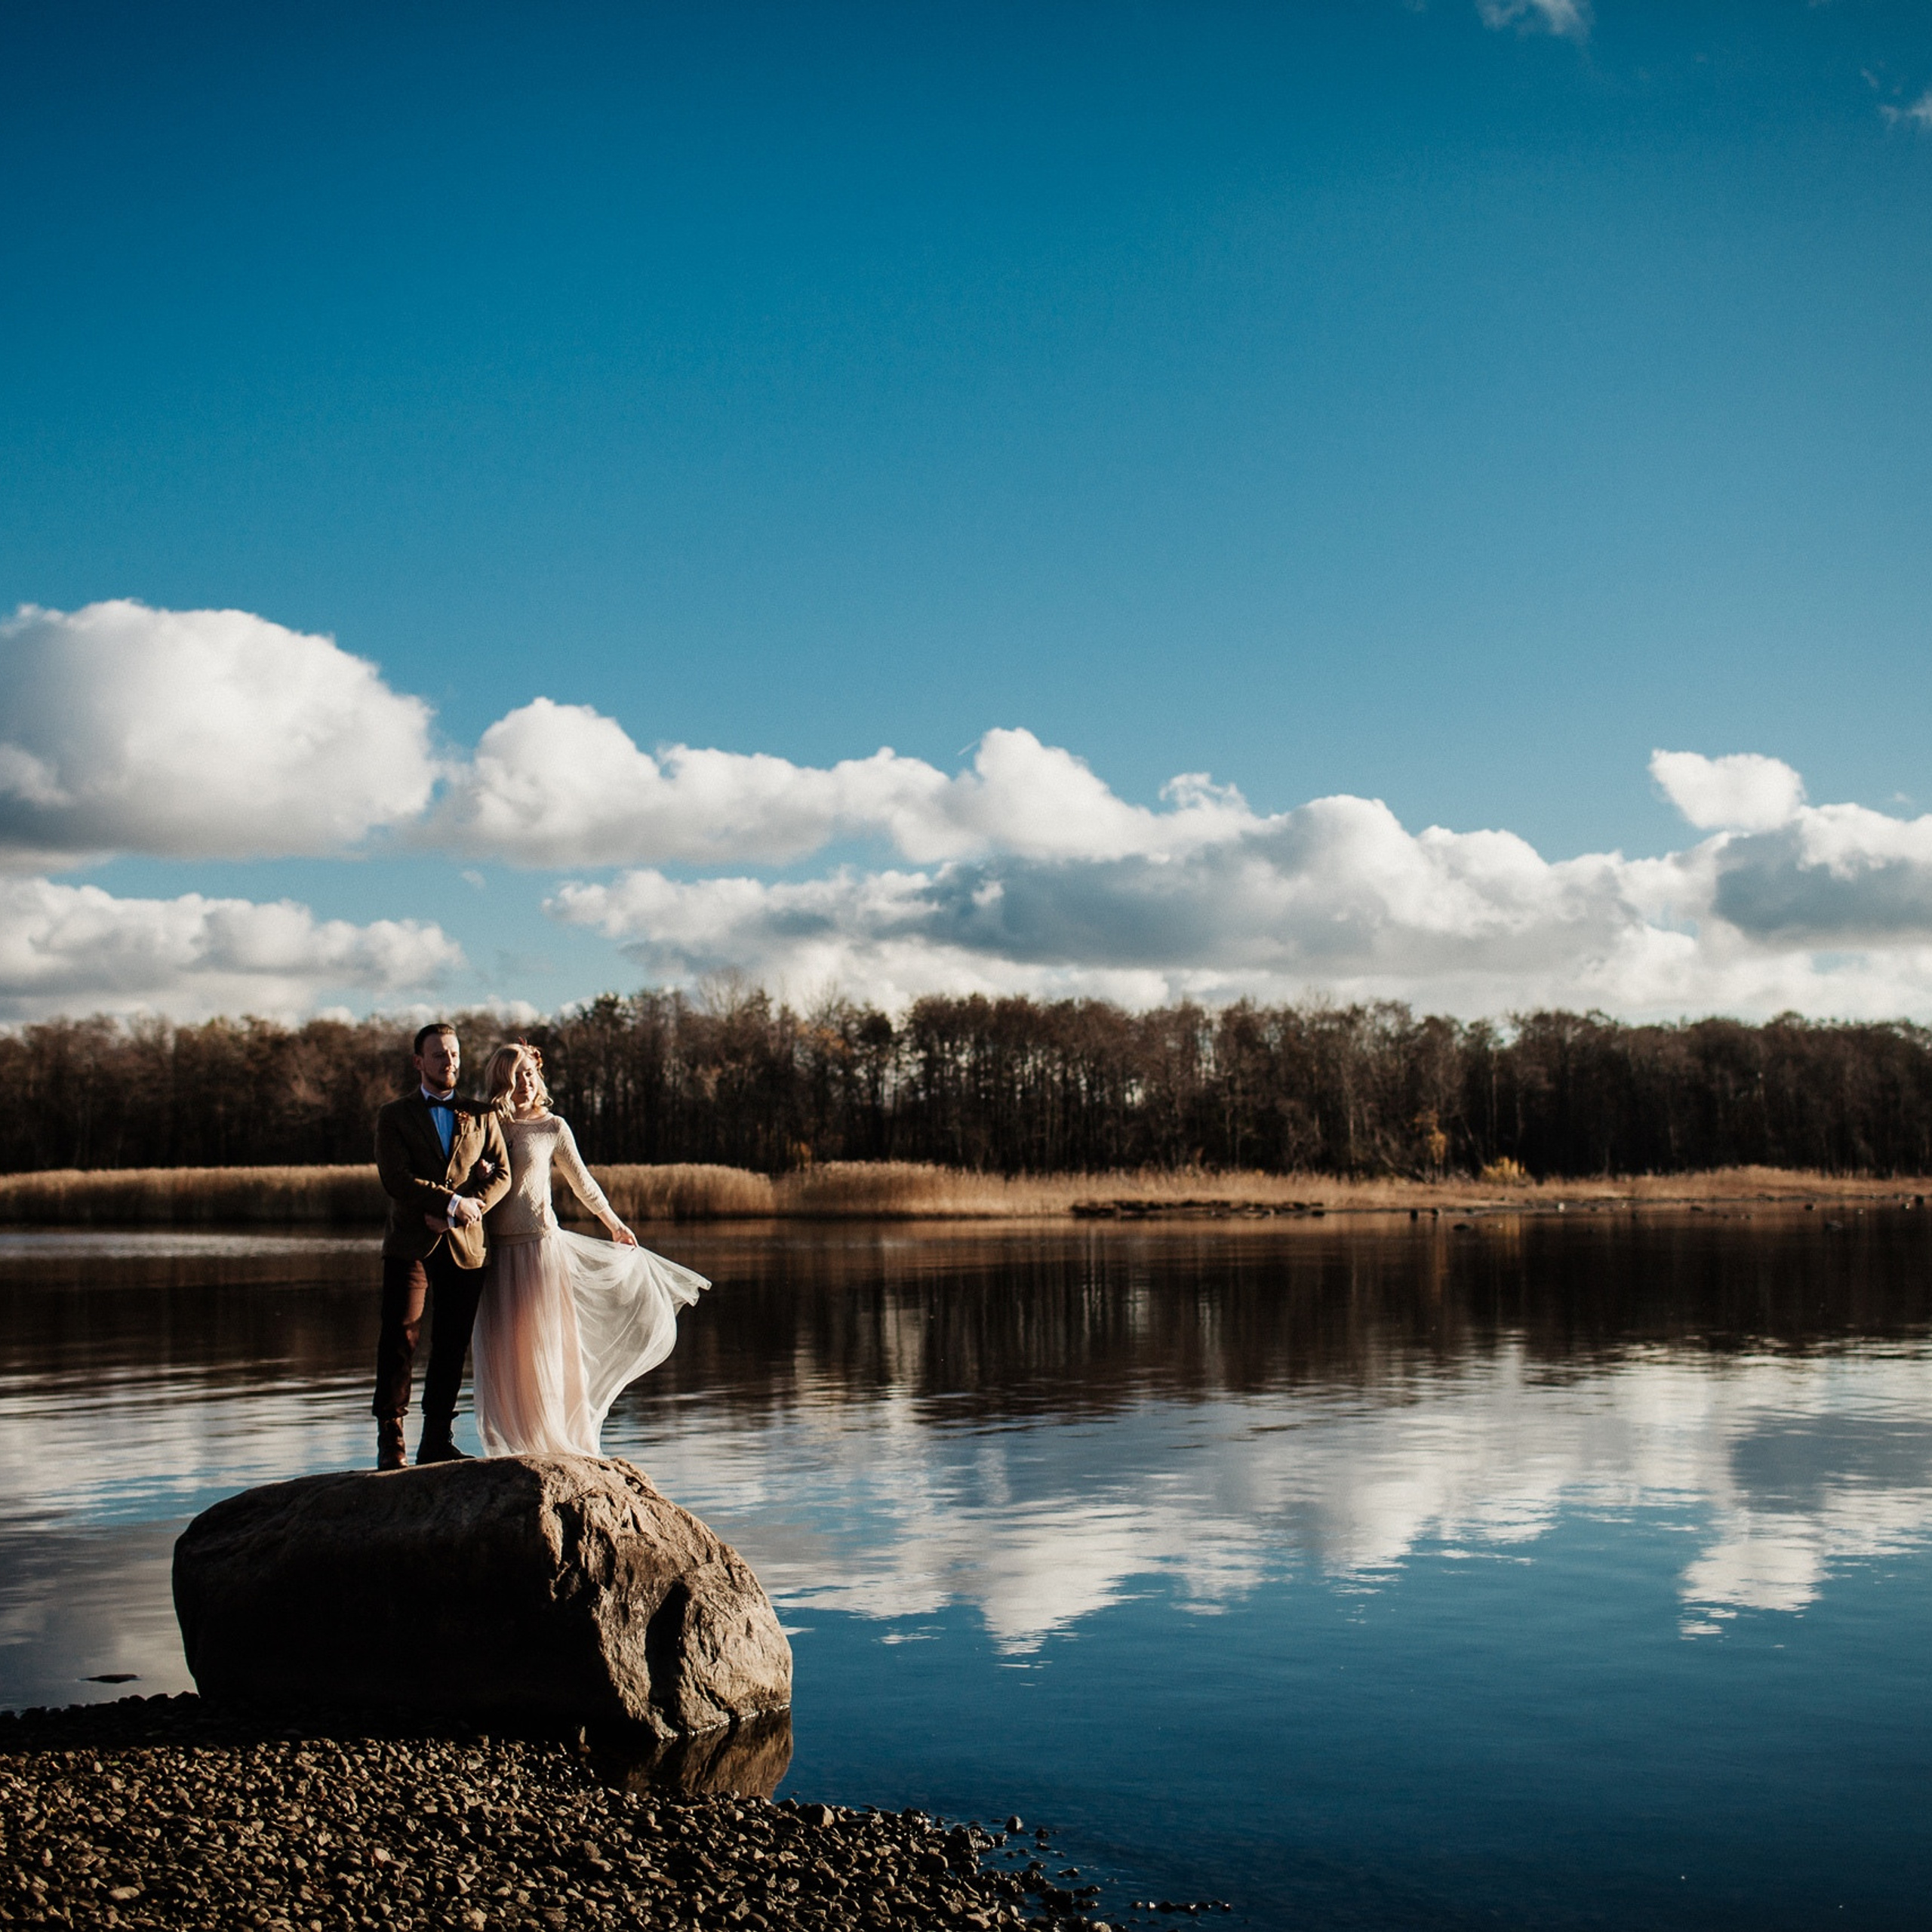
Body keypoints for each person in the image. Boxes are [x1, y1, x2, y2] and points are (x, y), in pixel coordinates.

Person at [471, 1041, 709, 1457]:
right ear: (501, 1082)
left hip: (539, 1249)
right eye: (515, 1077)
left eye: (529, 1073)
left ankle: (557, 1440)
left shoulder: (552, 1127)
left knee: (544, 1347)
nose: (524, 1083)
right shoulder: (487, 1124)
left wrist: (615, 1224)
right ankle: (518, 1443)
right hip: (496, 1254)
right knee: (507, 1350)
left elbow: (584, 1183)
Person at [371, 1022, 513, 1470]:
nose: (449, 1062)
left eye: (453, 1054)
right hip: (410, 1245)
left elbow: (503, 1175)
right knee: (400, 1338)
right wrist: (449, 1202)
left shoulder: (481, 1114)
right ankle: (391, 1444)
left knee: (451, 1345)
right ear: (419, 1062)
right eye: (438, 1055)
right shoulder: (393, 1116)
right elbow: (396, 1179)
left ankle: (436, 1441)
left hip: (466, 1248)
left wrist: (468, 1208)